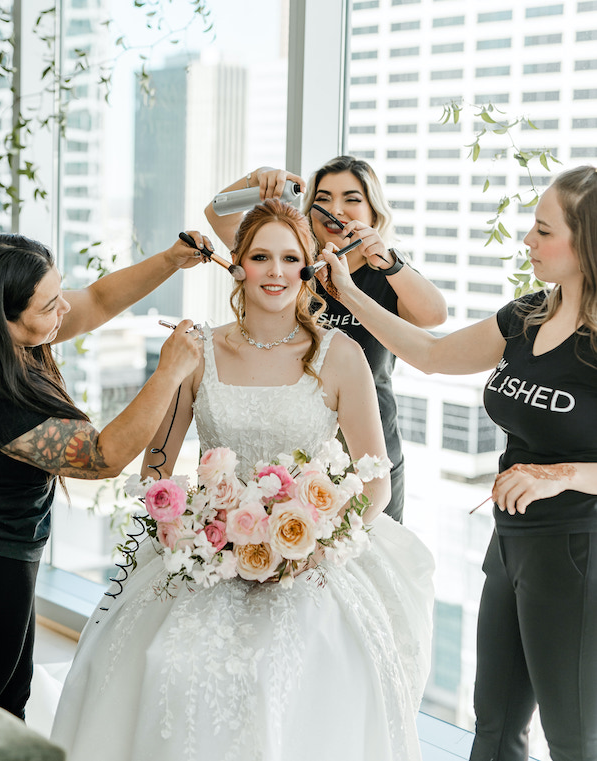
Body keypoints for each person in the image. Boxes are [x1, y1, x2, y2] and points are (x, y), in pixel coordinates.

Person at [50, 200, 435, 761]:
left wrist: (317, 541)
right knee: (172, 668)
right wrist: (183, 530)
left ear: (310, 268)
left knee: (297, 671)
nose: (275, 271)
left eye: (289, 258)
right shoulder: (197, 349)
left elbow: (376, 482)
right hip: (210, 552)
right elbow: (158, 466)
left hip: (312, 561)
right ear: (237, 266)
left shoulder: (342, 355)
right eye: (260, 257)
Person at [315, 165, 597, 761]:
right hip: (511, 541)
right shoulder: (529, 316)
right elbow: (433, 354)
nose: (527, 241)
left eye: (543, 231)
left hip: (579, 550)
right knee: (494, 728)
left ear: (587, 242)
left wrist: (567, 475)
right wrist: (349, 293)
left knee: (576, 740)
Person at [0, 232, 207, 720]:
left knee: (6, 698)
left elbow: (100, 299)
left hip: (6, 556)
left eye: (60, 292)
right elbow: (104, 457)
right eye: (49, 304)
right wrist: (168, 372)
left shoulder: (1, 338)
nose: (63, 308)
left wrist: (170, 260)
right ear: (3, 316)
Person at [205, 157, 447, 523]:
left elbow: (434, 315)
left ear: (372, 211)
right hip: (300, 456)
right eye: (324, 197)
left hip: (371, 459)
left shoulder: (389, 274)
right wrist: (258, 180)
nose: (335, 209)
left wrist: (386, 261)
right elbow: (218, 214)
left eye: (351, 199)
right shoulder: (291, 267)